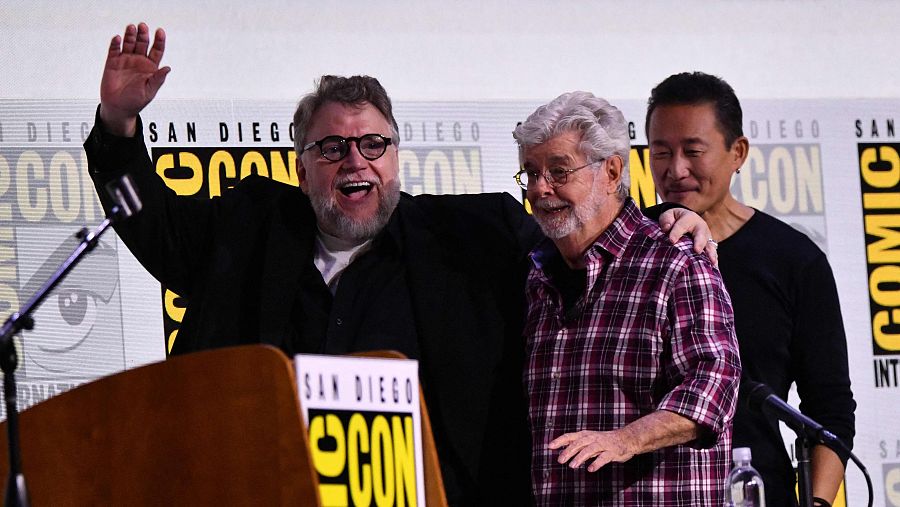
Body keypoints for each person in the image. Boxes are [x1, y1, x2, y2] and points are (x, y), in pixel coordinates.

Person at [84, 23, 714, 505]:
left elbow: (578, 227)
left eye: (372, 144)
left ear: (395, 156)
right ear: (301, 166)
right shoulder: (250, 228)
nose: (354, 160)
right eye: (332, 148)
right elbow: (148, 220)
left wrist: (663, 219)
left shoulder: (472, 234)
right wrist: (118, 126)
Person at [514, 91, 741, 506]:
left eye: (559, 172)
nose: (539, 189)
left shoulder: (677, 262)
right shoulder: (535, 275)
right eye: (530, 172)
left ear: (612, 170)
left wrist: (625, 440)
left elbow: (713, 386)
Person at [645, 71, 856, 507]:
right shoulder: (626, 245)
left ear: (737, 152)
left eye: (693, 151)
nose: (675, 169)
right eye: (661, 152)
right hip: (642, 492)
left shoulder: (794, 259)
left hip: (752, 489)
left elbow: (830, 407)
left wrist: (815, 503)